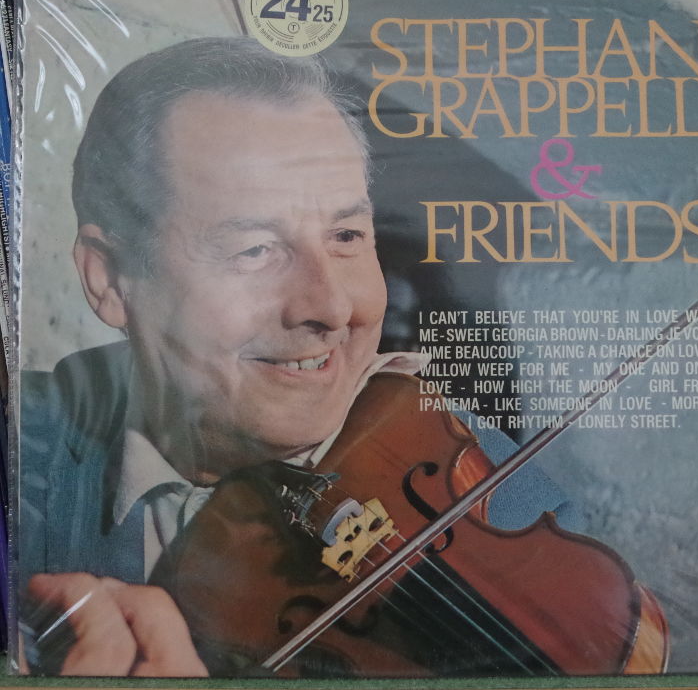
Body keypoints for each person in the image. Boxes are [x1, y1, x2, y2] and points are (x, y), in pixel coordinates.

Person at [18, 37, 579, 677]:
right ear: (110, 279)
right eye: (255, 249)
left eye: (346, 236)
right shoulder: (23, 451)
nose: (332, 307)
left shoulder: (486, 494)